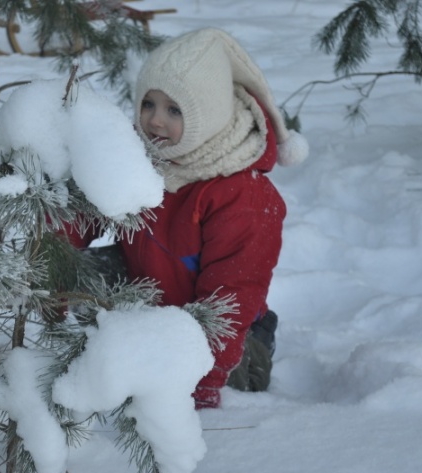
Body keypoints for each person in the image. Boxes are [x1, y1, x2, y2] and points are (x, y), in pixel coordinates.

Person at [67, 28, 308, 409]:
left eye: (174, 110)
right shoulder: (140, 153)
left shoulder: (240, 195)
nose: (155, 122)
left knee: (223, 371)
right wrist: (48, 258)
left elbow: (230, 302)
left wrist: (200, 393)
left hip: (230, 343)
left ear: (207, 116)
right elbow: (85, 211)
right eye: (149, 104)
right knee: (83, 270)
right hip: (153, 307)